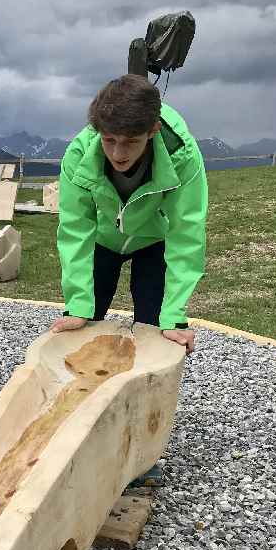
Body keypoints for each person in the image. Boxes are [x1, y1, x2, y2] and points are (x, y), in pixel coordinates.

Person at [51, 74, 208, 354]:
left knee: (156, 334)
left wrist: (174, 317)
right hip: (102, 239)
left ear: (153, 130)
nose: (118, 153)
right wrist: (76, 305)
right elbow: (75, 228)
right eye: (109, 140)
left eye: (131, 142)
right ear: (97, 130)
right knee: (83, 325)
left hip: (153, 240)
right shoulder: (78, 155)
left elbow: (186, 232)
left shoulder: (183, 156)